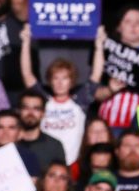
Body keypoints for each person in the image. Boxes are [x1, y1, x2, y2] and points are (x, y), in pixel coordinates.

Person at [19, 27, 105, 165]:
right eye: (55, 78)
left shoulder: (79, 101)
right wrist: (25, 42)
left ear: (72, 81)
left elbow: (96, 75)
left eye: (64, 78)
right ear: (50, 80)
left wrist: (99, 46)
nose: (60, 83)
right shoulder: (44, 101)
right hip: (46, 161)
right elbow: (27, 75)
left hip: (73, 164)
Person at [14, 90, 67, 173]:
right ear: (18, 111)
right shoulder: (9, 144)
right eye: (26, 108)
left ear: (43, 113)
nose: (30, 113)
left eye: (36, 109)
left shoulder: (54, 146)